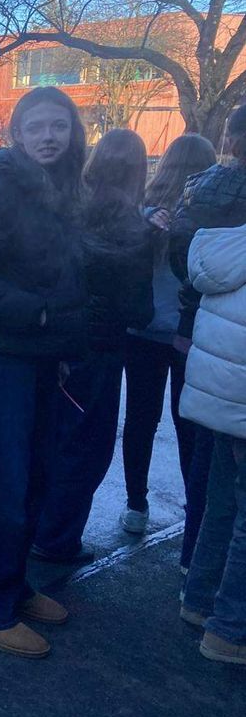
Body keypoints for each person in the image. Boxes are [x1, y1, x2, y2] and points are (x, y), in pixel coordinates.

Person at [0, 86, 88, 659]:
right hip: (4, 356)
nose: (50, 136)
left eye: (59, 125)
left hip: (42, 357)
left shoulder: (60, 186)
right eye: (38, 127)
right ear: (18, 134)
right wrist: (42, 311)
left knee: (33, 480)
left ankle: (11, 585)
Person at [32, 129, 155, 563]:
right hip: (101, 349)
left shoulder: (67, 209)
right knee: (87, 446)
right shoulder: (136, 228)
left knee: (51, 435)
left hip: (56, 340)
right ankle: (58, 538)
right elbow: (140, 310)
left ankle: (38, 526)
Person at [120, 134, 218, 534]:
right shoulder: (213, 213)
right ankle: (195, 505)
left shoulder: (143, 210)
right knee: (189, 422)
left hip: (141, 328)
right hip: (190, 332)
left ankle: (136, 504)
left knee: (141, 419)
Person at [169, 103, 246, 568]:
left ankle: (192, 565)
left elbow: (183, 259)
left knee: (205, 452)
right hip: (235, 340)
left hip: (195, 328)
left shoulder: (198, 194)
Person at [178, 222, 246, 666]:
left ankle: (199, 599)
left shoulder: (229, 245)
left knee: (221, 503)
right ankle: (231, 631)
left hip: (223, 398)